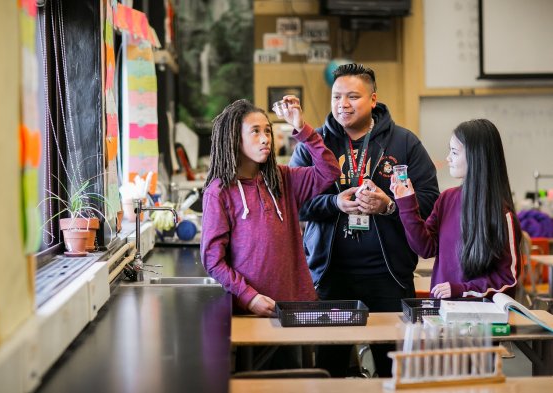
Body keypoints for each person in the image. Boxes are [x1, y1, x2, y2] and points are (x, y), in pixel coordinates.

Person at [289, 63, 439, 377]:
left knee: (391, 367)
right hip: (331, 275)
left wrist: (391, 205)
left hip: (389, 273)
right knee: (330, 368)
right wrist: (334, 203)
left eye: (353, 96)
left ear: (373, 99)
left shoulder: (404, 143)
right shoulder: (314, 144)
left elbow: (430, 199)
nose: (343, 104)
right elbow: (292, 202)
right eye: (336, 97)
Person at [201, 98, 340, 368]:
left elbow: (330, 171)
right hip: (252, 312)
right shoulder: (218, 192)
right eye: (256, 131)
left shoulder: (283, 178)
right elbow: (212, 259)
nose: (266, 138)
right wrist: (248, 297)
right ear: (233, 139)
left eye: (268, 130)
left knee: (299, 381)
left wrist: (301, 128)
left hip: (296, 308)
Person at [390, 119, 521, 299]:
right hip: (443, 313)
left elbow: (508, 278)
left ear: (476, 156)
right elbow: (424, 248)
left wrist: (462, 289)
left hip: (481, 319)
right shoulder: (446, 199)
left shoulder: (502, 215)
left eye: (454, 152)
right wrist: (406, 202)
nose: (448, 158)